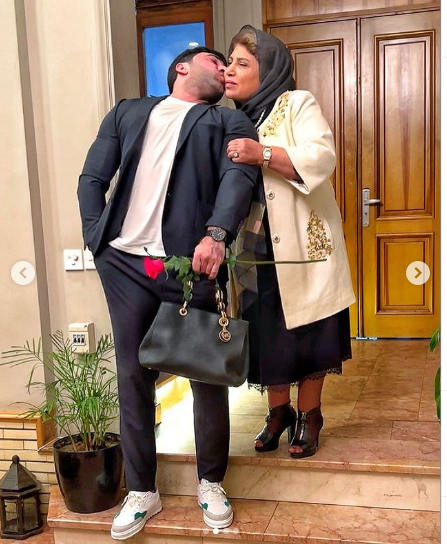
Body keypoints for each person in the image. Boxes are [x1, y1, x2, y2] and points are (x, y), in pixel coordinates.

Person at [78, 47, 258, 540]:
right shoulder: (128, 112)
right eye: (216, 62)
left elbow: (239, 177)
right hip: (124, 264)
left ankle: (210, 482)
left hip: (193, 263)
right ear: (182, 67)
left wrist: (217, 235)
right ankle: (142, 491)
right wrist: (97, 238)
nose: (225, 70)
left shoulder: (228, 121)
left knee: (206, 373)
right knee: (133, 375)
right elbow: (93, 176)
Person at [224, 26, 355, 459]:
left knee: (311, 330)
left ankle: (310, 414)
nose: (229, 70)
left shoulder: (296, 103)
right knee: (267, 330)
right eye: (228, 62)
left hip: (302, 242)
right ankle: (277, 412)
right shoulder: (233, 118)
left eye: (242, 63)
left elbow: (322, 156)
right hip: (253, 244)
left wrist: (262, 153)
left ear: (268, 70)